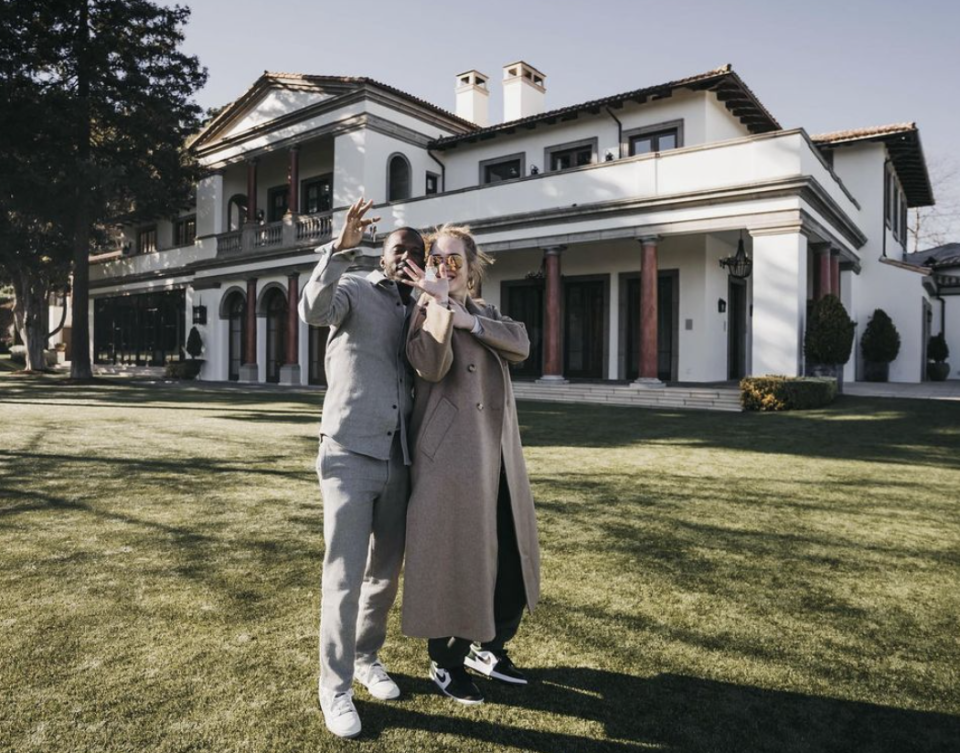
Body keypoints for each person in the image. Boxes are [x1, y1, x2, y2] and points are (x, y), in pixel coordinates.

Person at [298, 198, 426, 738]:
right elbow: (312, 309)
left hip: (399, 459)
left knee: (383, 576)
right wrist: (339, 250)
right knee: (345, 577)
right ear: (382, 253)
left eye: (416, 252)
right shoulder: (353, 288)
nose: (407, 258)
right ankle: (335, 687)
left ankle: (367, 659)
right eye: (400, 248)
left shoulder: (419, 307)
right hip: (349, 452)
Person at [399, 224, 541, 705]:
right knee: (454, 555)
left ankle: (492, 646)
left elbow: (521, 344)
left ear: (471, 266)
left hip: (499, 454)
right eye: (437, 260)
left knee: (509, 555)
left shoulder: (487, 312)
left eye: (454, 260)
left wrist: (471, 323)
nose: (445, 268)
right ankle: (446, 660)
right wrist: (439, 307)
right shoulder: (422, 312)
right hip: (450, 460)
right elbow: (429, 366)